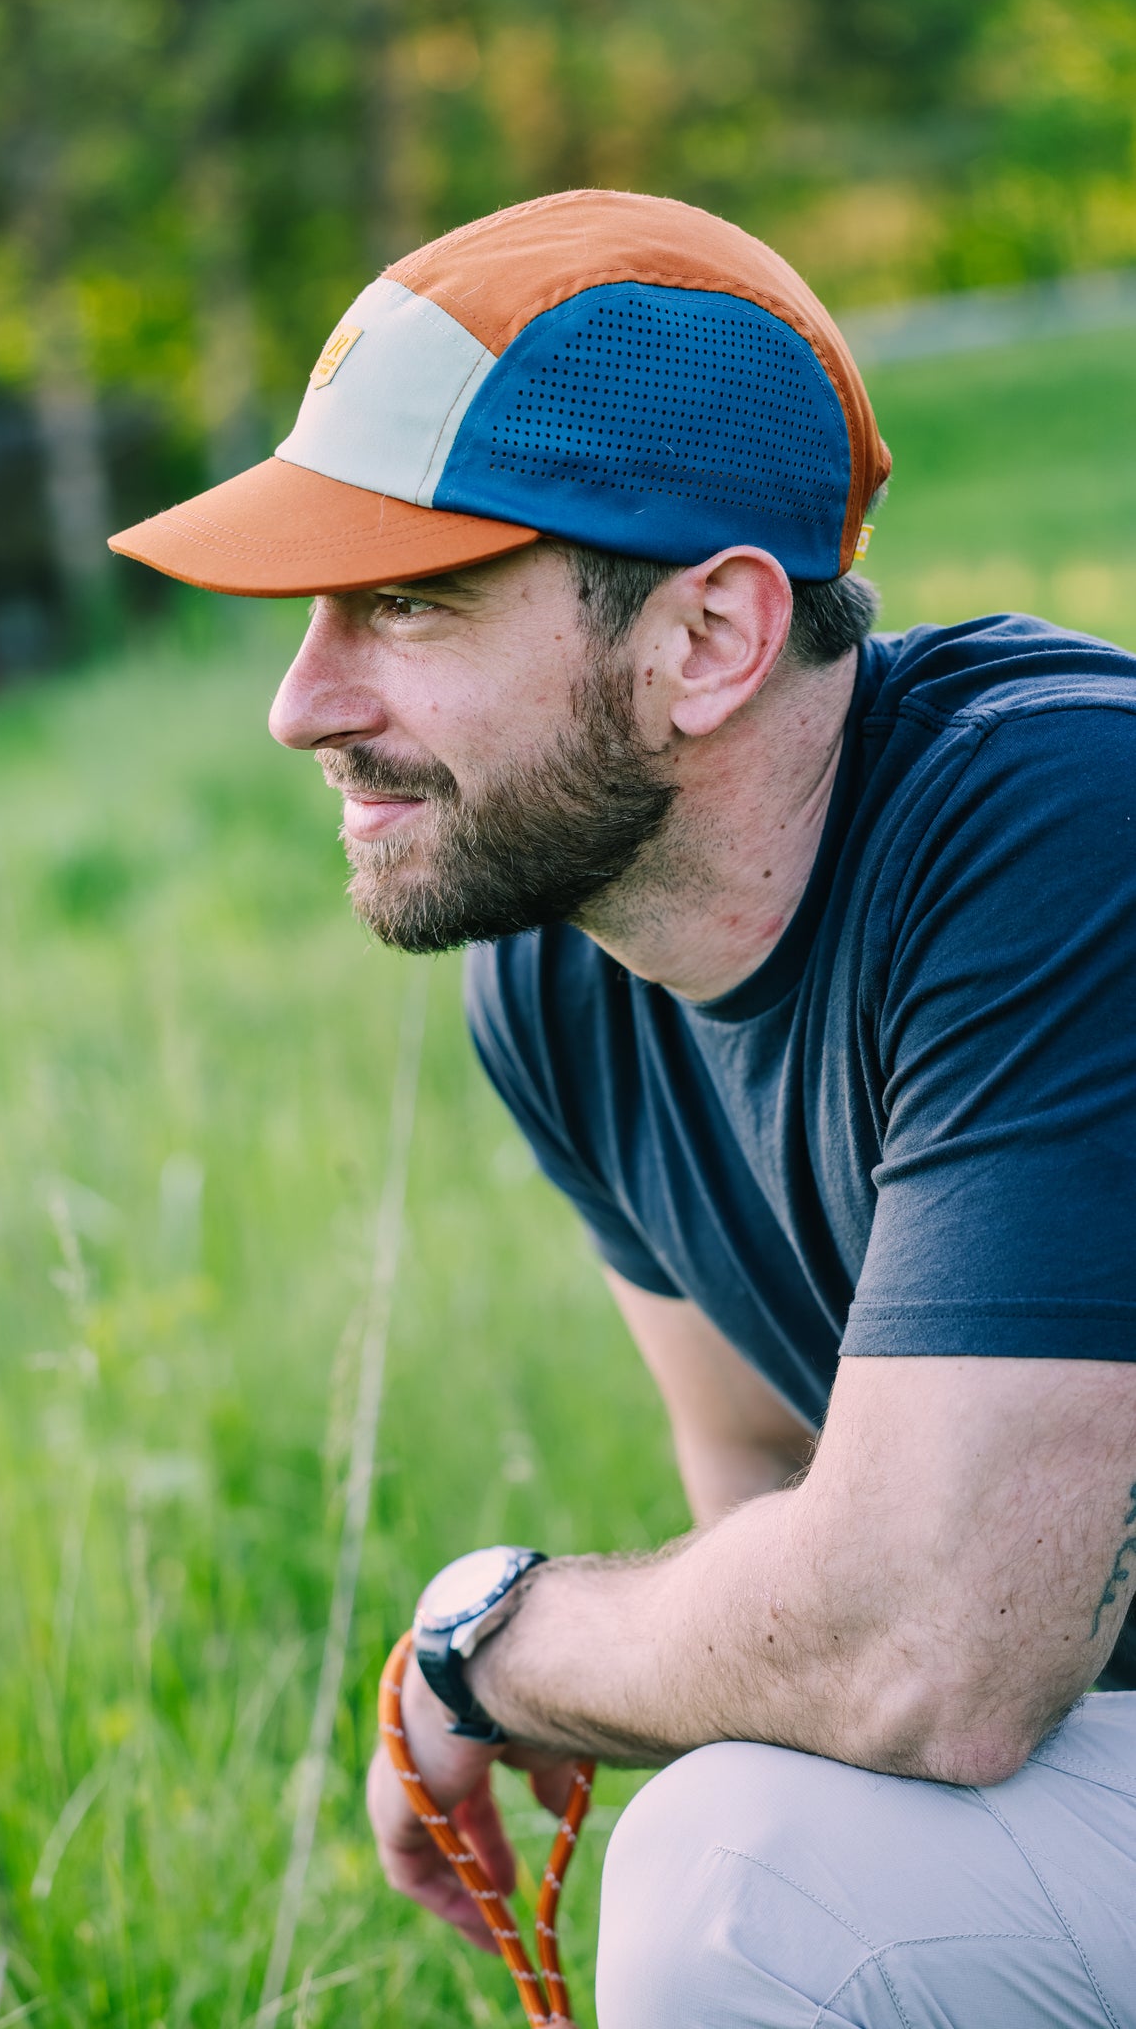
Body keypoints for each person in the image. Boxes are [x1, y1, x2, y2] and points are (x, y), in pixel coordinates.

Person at [112, 190, 1136, 2026]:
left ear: (706, 640)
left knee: (746, 1874)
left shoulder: (1066, 830)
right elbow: (763, 1477)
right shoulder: (566, 971)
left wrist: (486, 1639)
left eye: (407, 603)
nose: (299, 703)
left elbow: (929, 1650)